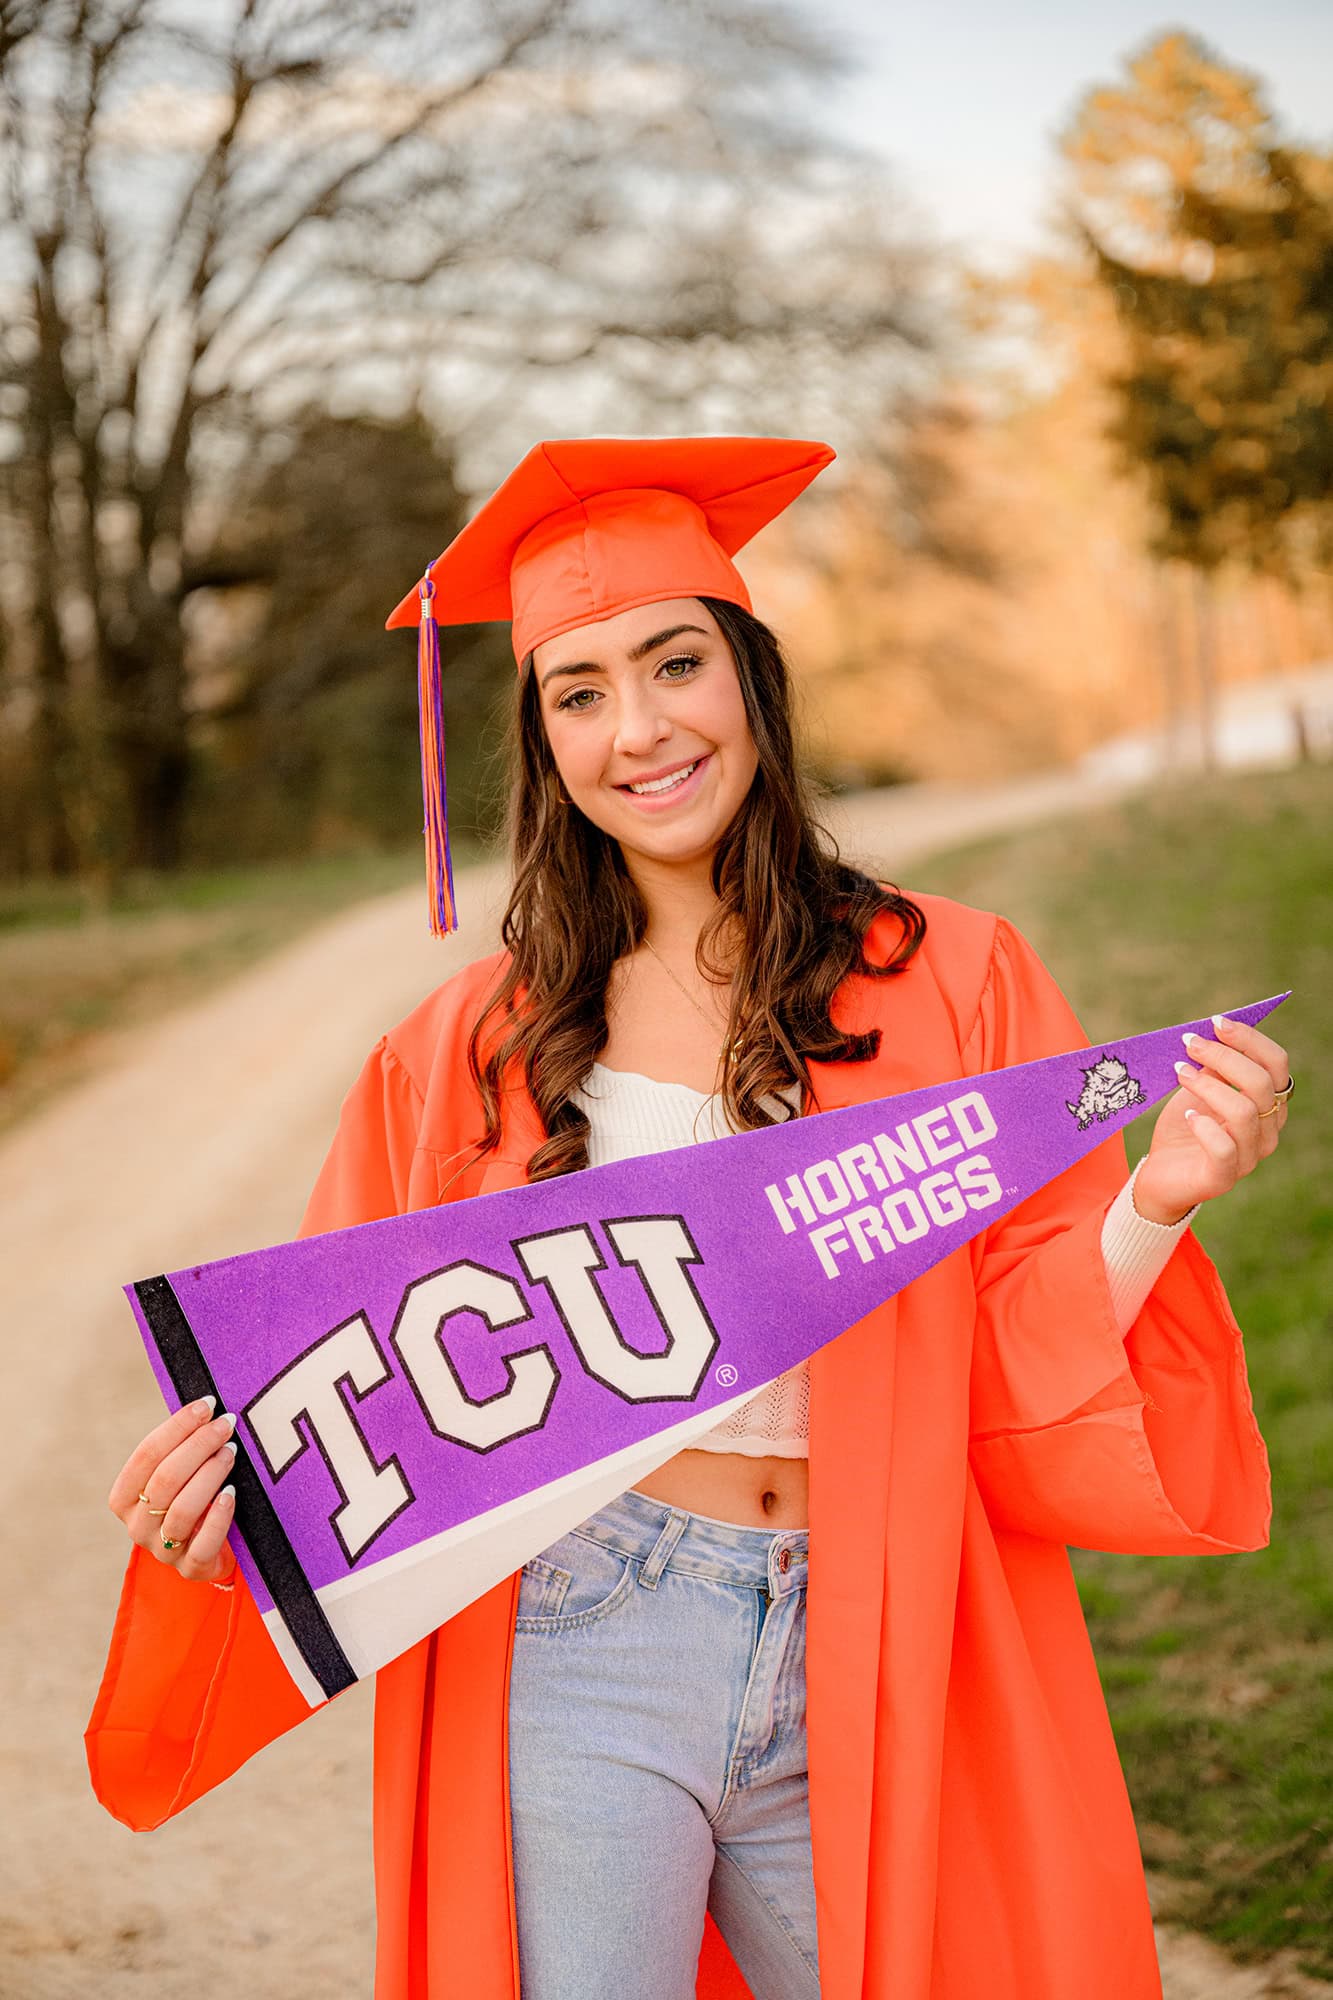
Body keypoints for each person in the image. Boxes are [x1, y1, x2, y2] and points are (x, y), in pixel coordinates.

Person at [89, 437, 1292, 2000]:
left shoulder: (955, 981)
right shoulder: (464, 1052)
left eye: (675, 664)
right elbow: (342, 1401)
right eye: (579, 691)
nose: (639, 727)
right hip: (586, 1634)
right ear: (540, 742)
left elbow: (1016, 1347)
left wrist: (1155, 1195)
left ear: (753, 686)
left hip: (880, 1626)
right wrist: (217, 1514)